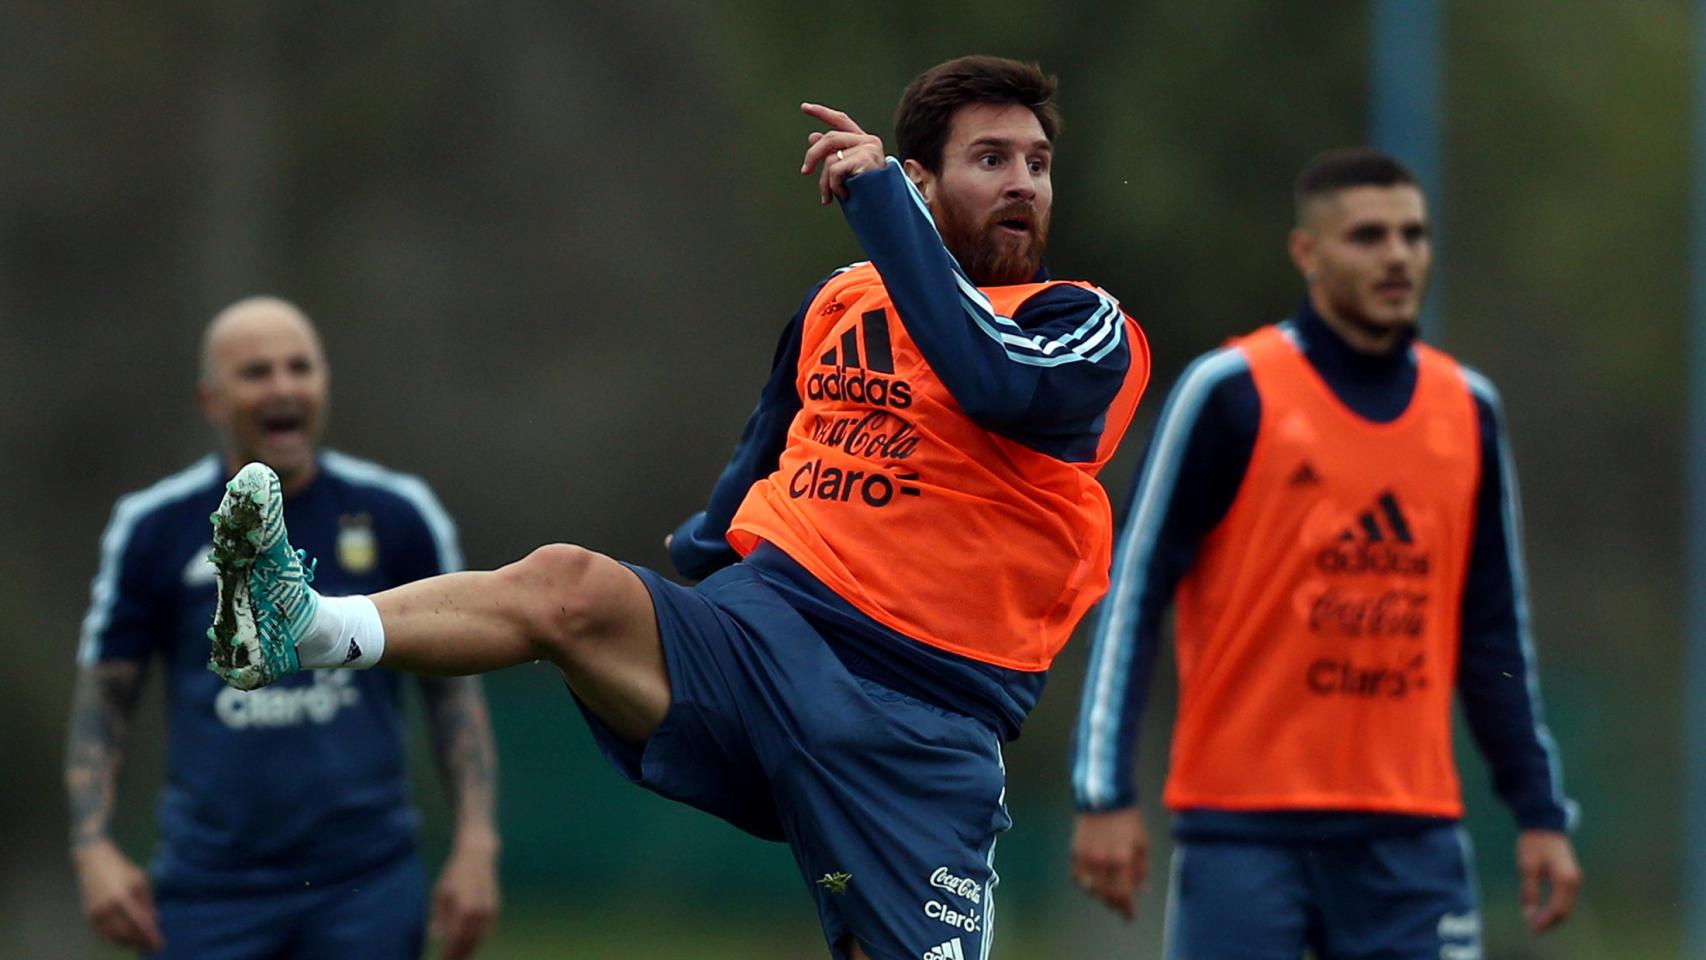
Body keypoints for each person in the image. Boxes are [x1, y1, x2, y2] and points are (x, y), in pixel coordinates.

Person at [202, 57, 1149, 960]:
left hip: (920, 719)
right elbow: (767, 446)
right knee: (567, 588)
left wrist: (887, 217)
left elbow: (993, 380)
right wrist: (699, 549)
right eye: (991, 159)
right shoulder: (842, 300)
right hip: (769, 642)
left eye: (1038, 163)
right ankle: (305, 625)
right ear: (924, 178)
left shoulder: (1082, 324)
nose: (1023, 181)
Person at [1066, 148, 1583, 958]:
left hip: (1411, 841)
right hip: (1244, 836)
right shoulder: (1229, 393)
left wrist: (1539, 812)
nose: (1398, 257)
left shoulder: (1467, 411)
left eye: (1414, 235)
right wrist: (1104, 793)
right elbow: (1132, 596)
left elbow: (1492, 636)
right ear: (1308, 254)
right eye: (1368, 236)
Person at [66, 297, 501, 960]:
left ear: (324, 383)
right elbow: (106, 695)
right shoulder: (153, 526)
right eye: (257, 372)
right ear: (211, 400)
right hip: (209, 887)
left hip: (365, 882)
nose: (283, 387)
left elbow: (453, 690)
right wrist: (92, 844)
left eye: (300, 367)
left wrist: (476, 841)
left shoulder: (398, 513)